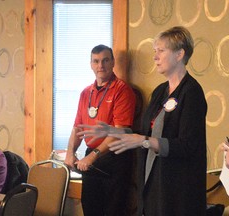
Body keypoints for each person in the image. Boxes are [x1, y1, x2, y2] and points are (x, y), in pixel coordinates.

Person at [78, 26, 208, 216]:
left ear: (180, 54)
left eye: (161, 51)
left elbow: (187, 146)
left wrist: (144, 141)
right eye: (155, 51)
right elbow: (146, 134)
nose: (155, 57)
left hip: (177, 191)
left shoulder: (192, 92)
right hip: (153, 184)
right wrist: (114, 132)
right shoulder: (160, 92)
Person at [64, 44, 136, 216]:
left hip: (115, 157)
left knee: (113, 211)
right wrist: (70, 152)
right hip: (92, 158)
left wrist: (92, 156)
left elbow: (119, 132)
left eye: (105, 60)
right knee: (90, 208)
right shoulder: (85, 93)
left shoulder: (122, 90)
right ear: (90, 64)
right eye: (96, 61)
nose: (100, 66)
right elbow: (78, 127)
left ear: (112, 63)